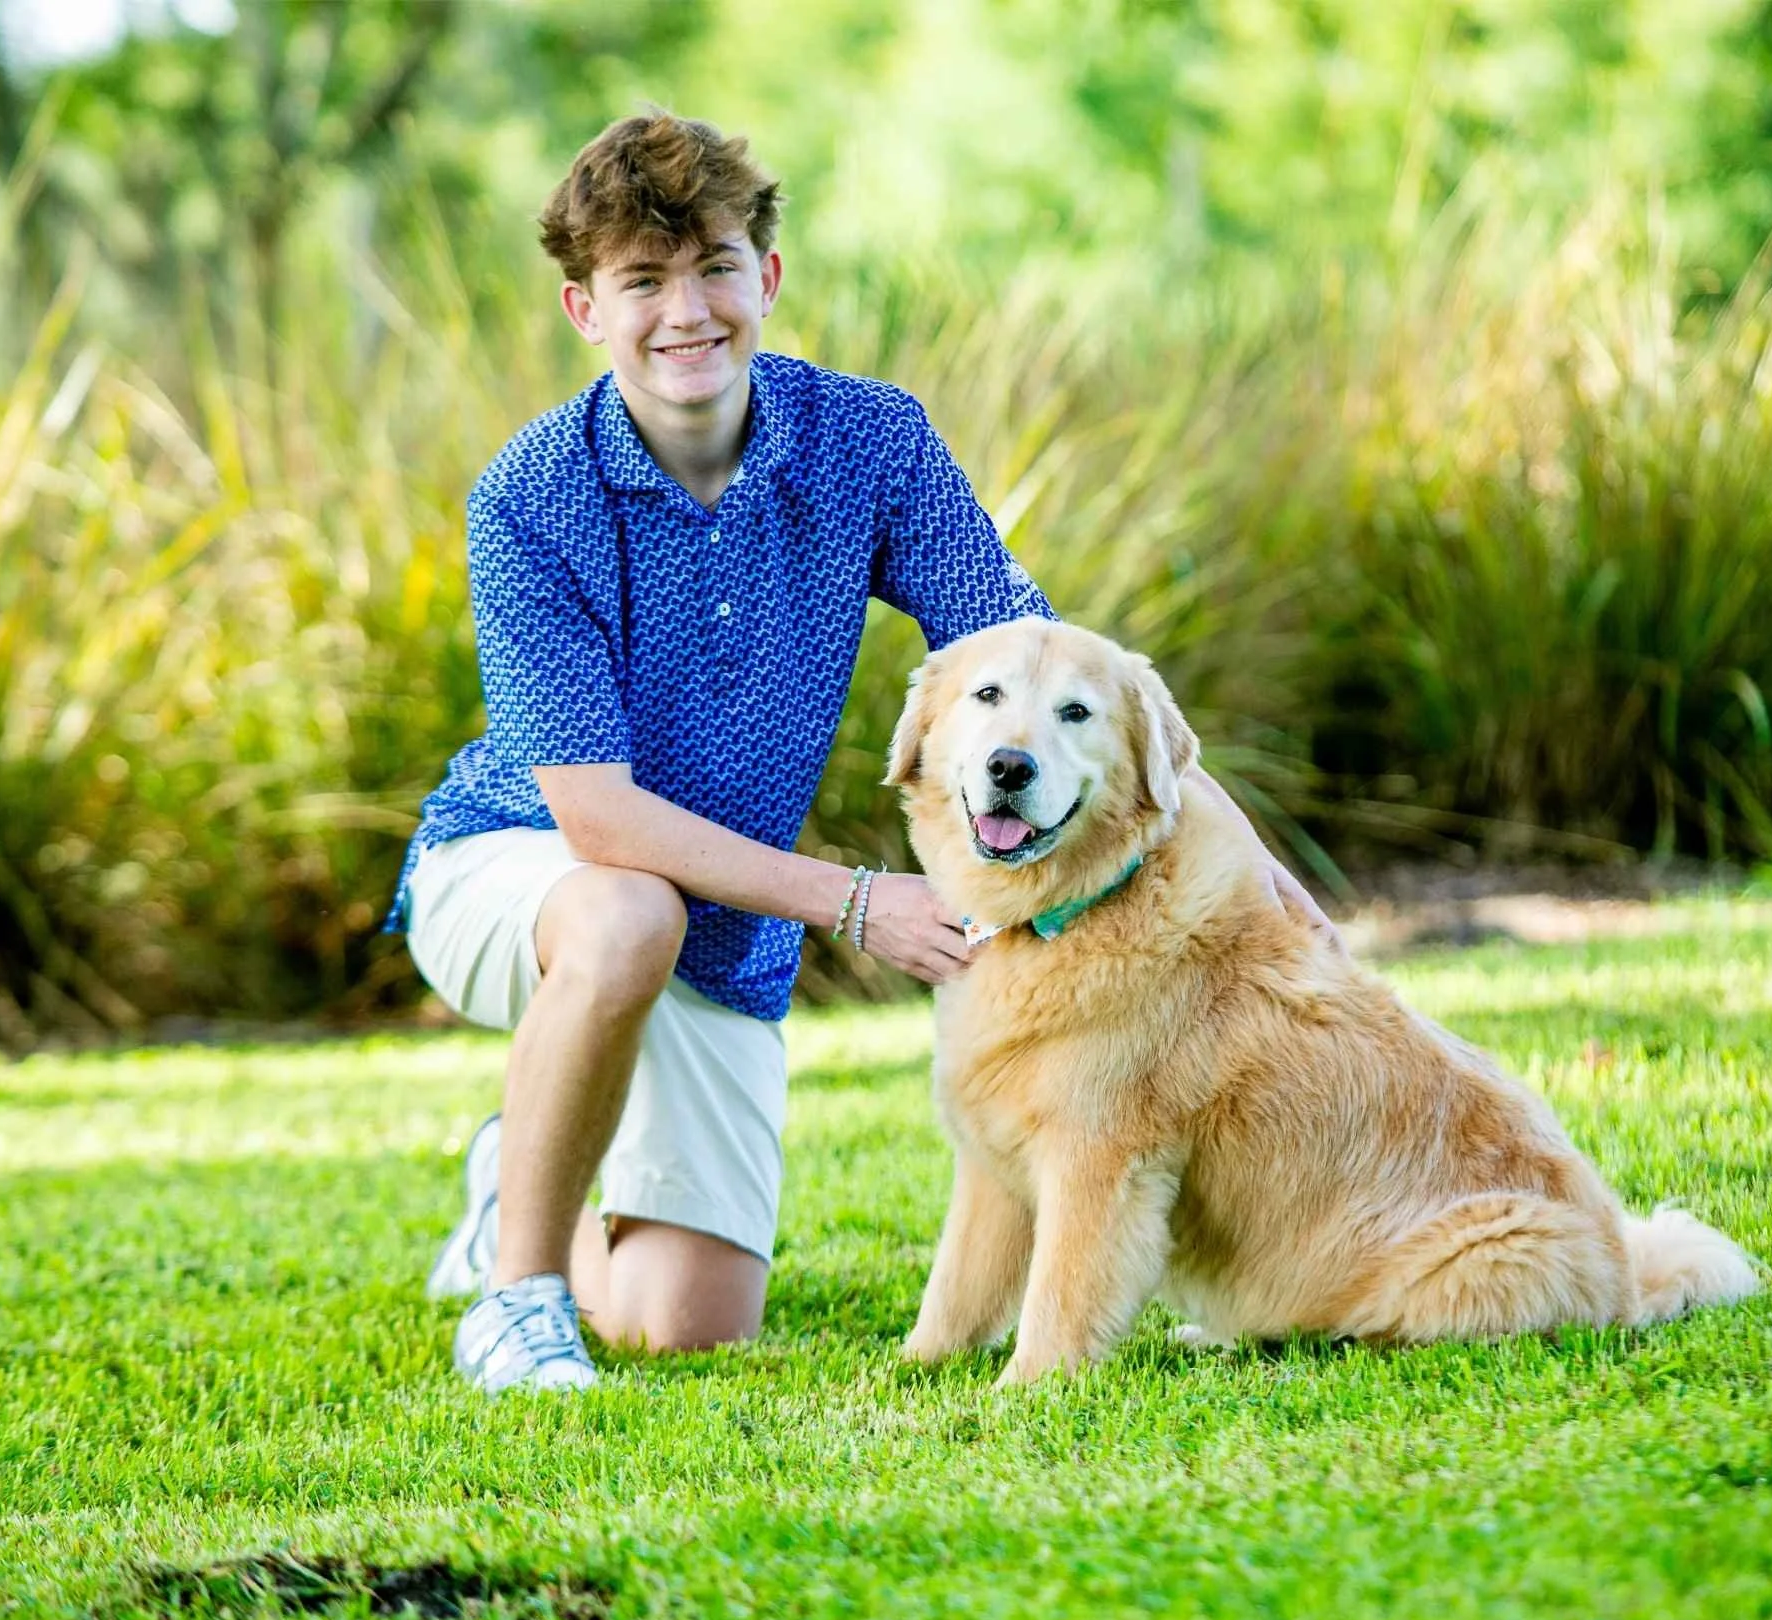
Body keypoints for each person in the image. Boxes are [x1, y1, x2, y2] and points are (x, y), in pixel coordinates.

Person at [390, 109, 1336, 1393]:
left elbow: (1057, 669)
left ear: (766, 278)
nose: (687, 311)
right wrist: (853, 900)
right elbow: (600, 818)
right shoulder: (527, 496)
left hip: (720, 917)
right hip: (523, 863)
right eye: (642, 282)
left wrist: (1283, 893)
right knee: (622, 917)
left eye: (715, 265)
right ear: (583, 307)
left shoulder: (872, 443)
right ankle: (518, 1292)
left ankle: (522, 1168)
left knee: (690, 1321)